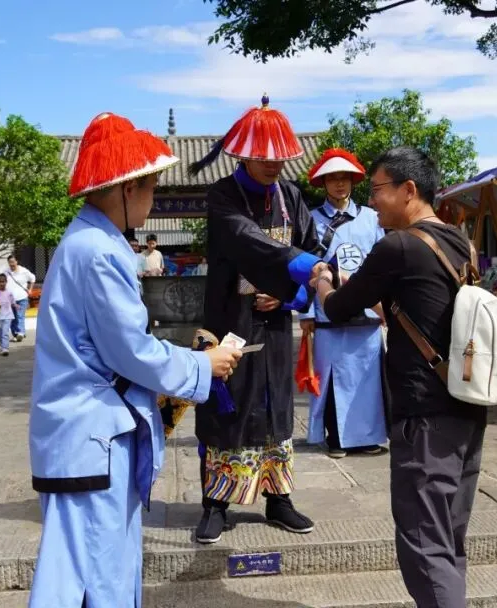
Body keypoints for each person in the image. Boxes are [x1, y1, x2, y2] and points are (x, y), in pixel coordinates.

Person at [27, 112, 242, 608]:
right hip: (92, 437)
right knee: (97, 574)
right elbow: (130, 351)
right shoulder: (98, 251)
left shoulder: (90, 242)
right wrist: (202, 366)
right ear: (127, 188)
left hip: (85, 435)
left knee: (81, 569)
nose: (153, 199)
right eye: (151, 188)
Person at [309, 147, 486, 608]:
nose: (372, 202)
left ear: (408, 190)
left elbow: (339, 307)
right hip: (466, 407)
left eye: (377, 190)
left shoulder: (398, 246)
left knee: (424, 542)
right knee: (448, 536)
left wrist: (322, 279)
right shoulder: (460, 244)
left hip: (423, 413)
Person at [187, 94, 322, 544]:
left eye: (279, 157)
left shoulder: (292, 197)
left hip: (275, 325)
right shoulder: (223, 196)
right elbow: (247, 241)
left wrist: (288, 296)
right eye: (264, 156)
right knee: (227, 407)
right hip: (229, 322)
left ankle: (278, 499)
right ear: (243, 154)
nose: (273, 165)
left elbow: (311, 248)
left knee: (277, 408)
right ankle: (216, 502)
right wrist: (301, 268)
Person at [297, 148, 387, 459]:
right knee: (333, 376)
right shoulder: (310, 220)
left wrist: (385, 305)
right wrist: (306, 312)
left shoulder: (372, 218)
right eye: (332, 179)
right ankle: (336, 437)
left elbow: (383, 262)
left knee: (366, 376)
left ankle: (367, 437)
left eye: (344, 178)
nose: (339, 184)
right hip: (328, 308)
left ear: (352, 181)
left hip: (367, 308)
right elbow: (304, 268)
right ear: (323, 183)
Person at [4, 255, 35, 342]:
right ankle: (16, 334)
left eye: (13, 262)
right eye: (10, 262)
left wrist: (30, 289)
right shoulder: (6, 272)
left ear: (16, 262)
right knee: (12, 318)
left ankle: (21, 332)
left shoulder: (23, 271)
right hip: (10, 299)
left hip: (22, 298)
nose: (11, 264)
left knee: (19, 315)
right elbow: (1, 281)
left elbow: (33, 278)